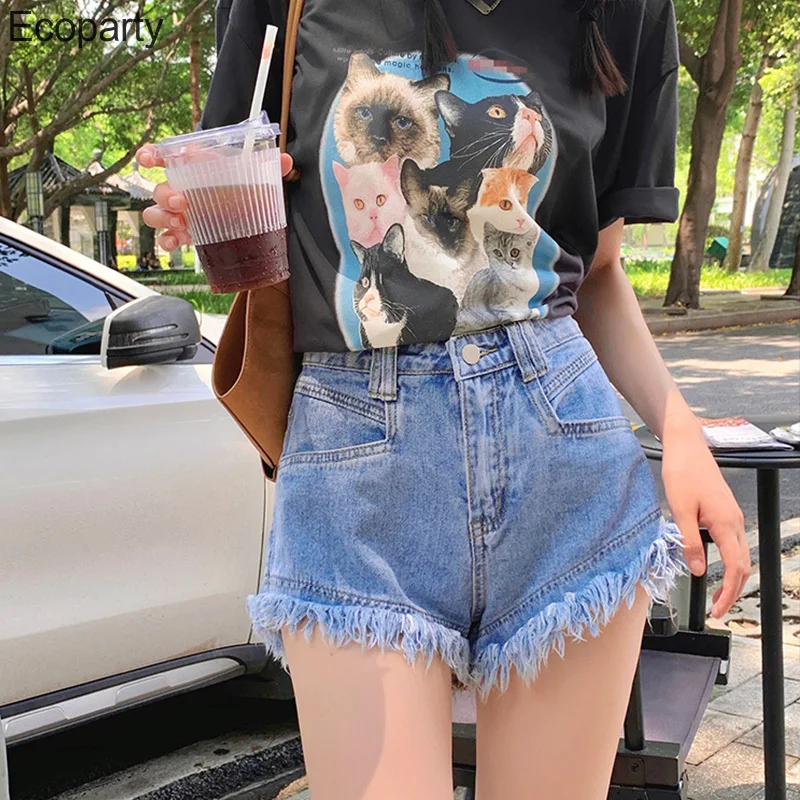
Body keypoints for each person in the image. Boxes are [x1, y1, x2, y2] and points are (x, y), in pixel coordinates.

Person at [138, 1, 751, 796]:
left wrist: (682, 434)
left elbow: (596, 272)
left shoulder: (622, 8)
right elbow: (228, 182)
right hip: (358, 468)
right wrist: (198, 209)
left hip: (563, 454)